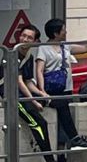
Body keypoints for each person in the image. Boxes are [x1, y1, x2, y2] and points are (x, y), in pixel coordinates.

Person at [35, 18, 87, 152]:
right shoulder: (43, 49)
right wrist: (42, 91)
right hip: (51, 90)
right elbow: (39, 71)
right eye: (63, 30)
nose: (66, 32)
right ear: (55, 33)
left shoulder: (65, 46)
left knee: (63, 117)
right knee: (64, 110)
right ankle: (75, 139)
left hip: (65, 89)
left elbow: (85, 48)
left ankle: (63, 151)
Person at [0, 25, 56, 162]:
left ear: (35, 41)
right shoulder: (12, 53)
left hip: (21, 92)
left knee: (56, 102)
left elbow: (28, 82)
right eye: (23, 36)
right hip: (10, 93)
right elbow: (19, 82)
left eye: (29, 37)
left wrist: (41, 93)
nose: (24, 39)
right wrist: (33, 101)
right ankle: (50, 159)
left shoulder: (29, 56)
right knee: (39, 123)